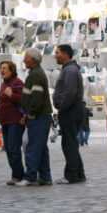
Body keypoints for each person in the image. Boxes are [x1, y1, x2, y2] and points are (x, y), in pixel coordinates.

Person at [16, 48, 53, 186]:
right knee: (41, 148)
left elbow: (36, 98)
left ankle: (30, 177)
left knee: (33, 148)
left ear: (32, 60)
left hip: (39, 117)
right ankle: (45, 177)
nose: (24, 60)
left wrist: (30, 114)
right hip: (40, 116)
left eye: (26, 57)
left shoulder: (35, 75)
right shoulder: (34, 73)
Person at [53, 44, 86, 184]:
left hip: (70, 110)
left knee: (69, 143)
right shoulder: (69, 70)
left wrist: (61, 107)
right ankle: (79, 173)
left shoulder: (70, 71)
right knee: (71, 142)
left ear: (65, 55)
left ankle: (71, 175)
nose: (55, 55)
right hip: (71, 109)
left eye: (57, 52)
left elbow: (70, 92)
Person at [0, 60, 24, 185]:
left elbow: (24, 100)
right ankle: (16, 174)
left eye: (5, 68)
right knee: (9, 149)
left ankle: (18, 175)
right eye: (1, 68)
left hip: (15, 120)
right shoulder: (3, 84)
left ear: (12, 70)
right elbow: (1, 104)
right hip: (4, 121)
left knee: (13, 148)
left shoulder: (17, 83)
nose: (2, 70)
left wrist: (12, 95)